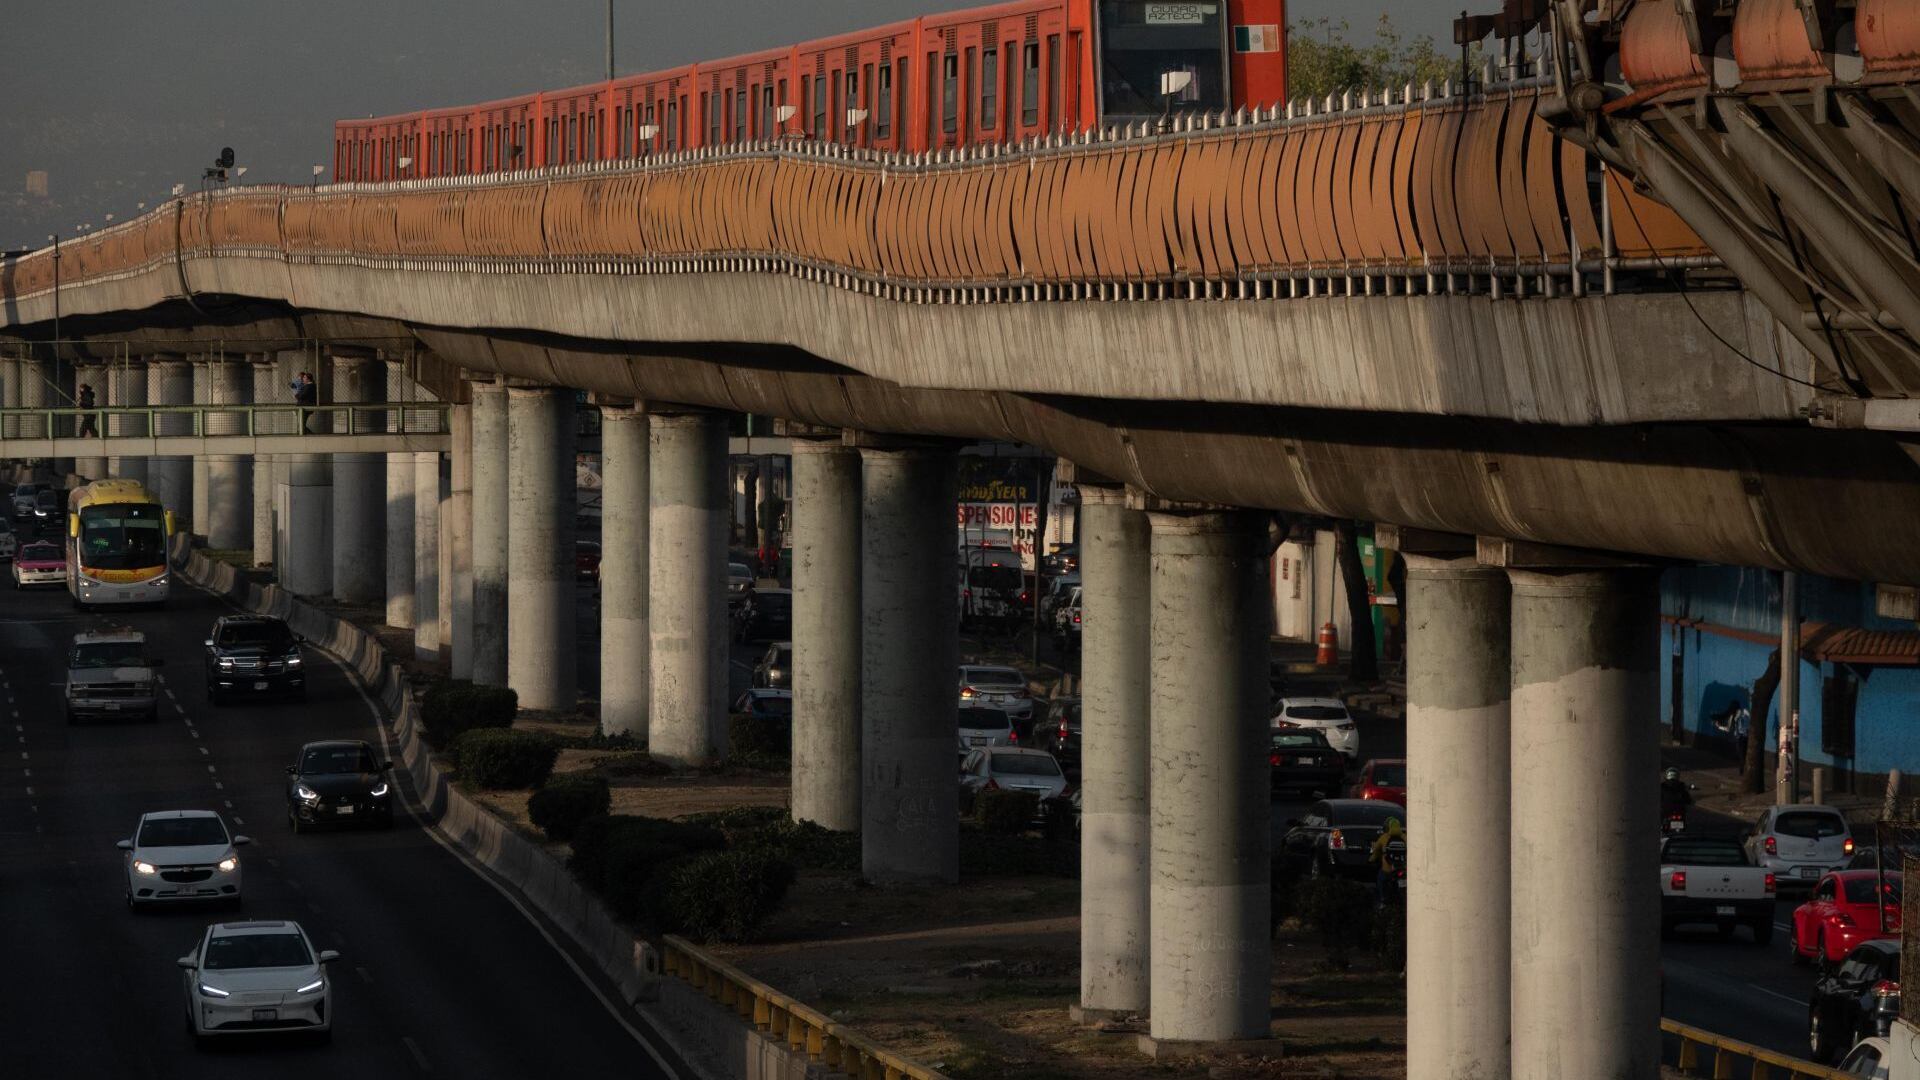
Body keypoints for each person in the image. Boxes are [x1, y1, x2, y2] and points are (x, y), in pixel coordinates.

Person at [1369, 816, 1405, 906]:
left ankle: (1382, 899)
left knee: (1380, 879)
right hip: (1403, 868)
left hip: (1388, 869)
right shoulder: (1405, 837)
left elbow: (1376, 851)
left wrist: (1371, 860)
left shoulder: (1383, 837)